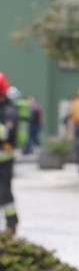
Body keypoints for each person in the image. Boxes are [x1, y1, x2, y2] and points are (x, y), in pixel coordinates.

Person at [0, 73, 20, 235]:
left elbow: (7, 133)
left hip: (4, 159)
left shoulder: (9, 110)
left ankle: (11, 224)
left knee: (4, 192)